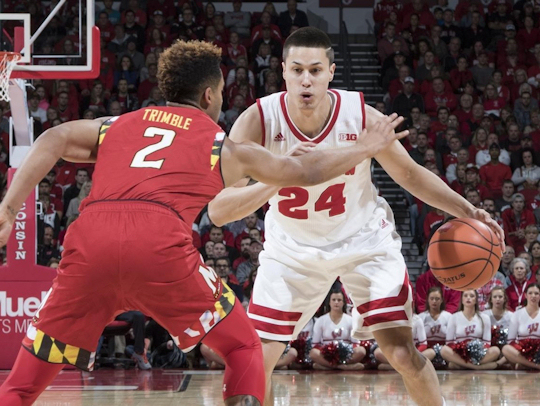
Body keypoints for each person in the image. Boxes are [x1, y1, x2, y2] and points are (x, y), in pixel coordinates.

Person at [0, 40, 405, 406]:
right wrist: (366, 147)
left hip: (90, 243)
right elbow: (306, 171)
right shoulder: (219, 144)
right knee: (245, 347)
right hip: (157, 244)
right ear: (210, 95)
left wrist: (9, 207)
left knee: (21, 387)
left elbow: (52, 138)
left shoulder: (115, 126)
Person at [208, 27, 504, 406]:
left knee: (400, 354)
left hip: (365, 243)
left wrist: (467, 209)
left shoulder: (361, 116)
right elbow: (218, 211)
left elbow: (410, 174)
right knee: (258, 359)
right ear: (282, 71)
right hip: (291, 251)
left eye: (315, 70)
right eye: (297, 70)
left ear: (331, 72)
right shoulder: (258, 121)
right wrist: (278, 177)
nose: (306, 80)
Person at [440, 290, 500, 370]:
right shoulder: (454, 317)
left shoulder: (484, 317)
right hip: (460, 353)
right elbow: (449, 343)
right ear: (462, 299)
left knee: (496, 351)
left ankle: (461, 366)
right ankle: (477, 367)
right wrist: (461, 350)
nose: (468, 298)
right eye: (465, 296)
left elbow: (487, 343)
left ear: (476, 300)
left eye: (472, 296)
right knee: (444, 350)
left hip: (479, 353)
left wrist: (477, 351)